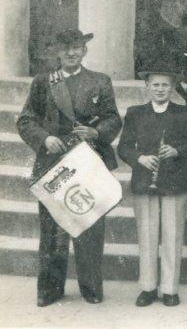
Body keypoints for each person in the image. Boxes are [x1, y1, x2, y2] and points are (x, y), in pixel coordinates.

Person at [17, 29, 122, 307]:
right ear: (56, 52)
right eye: (65, 49)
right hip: (53, 163)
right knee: (52, 230)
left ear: (84, 50)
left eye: (76, 47)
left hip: (88, 161)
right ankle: (50, 289)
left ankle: (91, 287)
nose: (71, 53)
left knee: (90, 224)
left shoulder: (100, 81)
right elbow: (26, 121)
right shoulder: (43, 82)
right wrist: (45, 138)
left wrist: (95, 132)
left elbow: (113, 120)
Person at [117, 66, 187, 307]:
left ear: (172, 88)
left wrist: (177, 151)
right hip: (145, 179)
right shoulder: (135, 112)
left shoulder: (184, 113)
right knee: (147, 235)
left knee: (173, 235)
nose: (160, 89)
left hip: (174, 180)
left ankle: (170, 289)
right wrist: (139, 158)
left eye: (165, 85)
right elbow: (124, 147)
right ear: (147, 87)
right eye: (155, 85)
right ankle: (148, 287)